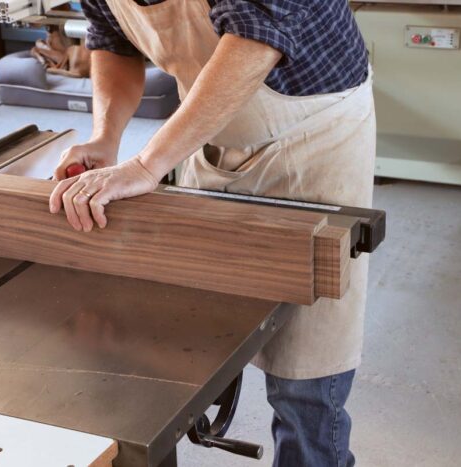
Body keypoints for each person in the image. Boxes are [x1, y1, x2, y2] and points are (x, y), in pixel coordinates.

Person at [49, 1, 375, 465]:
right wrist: (106, 136)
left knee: (305, 372)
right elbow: (112, 40)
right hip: (212, 127)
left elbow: (256, 38)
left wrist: (147, 164)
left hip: (315, 133)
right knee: (189, 327)